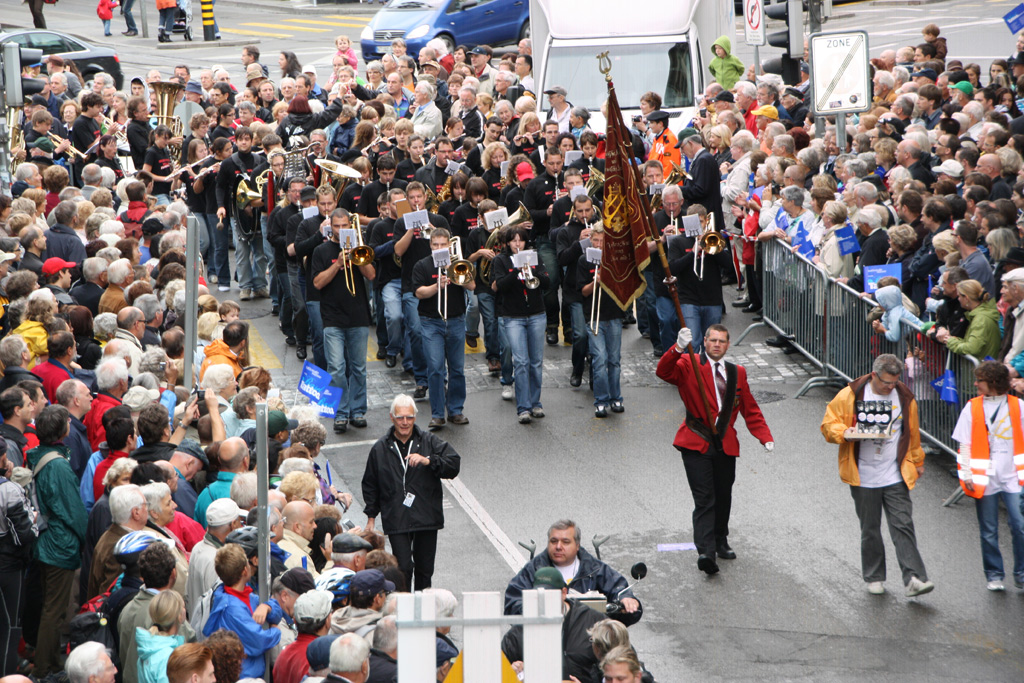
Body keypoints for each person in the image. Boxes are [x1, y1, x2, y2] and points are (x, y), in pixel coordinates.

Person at [655, 325, 774, 575]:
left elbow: (749, 408)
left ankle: (720, 540)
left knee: (723, 496)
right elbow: (663, 372)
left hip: (725, 443)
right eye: (713, 340)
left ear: (728, 345)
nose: (717, 344)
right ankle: (706, 552)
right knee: (705, 499)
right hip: (695, 440)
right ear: (705, 342)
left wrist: (764, 436)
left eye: (722, 341)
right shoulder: (688, 363)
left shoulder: (737, 372)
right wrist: (676, 348)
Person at [821, 353, 935, 597]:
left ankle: (914, 577)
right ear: (874, 375)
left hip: (895, 474)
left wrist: (917, 460)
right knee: (870, 528)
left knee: (903, 524)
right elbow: (828, 426)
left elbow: (912, 432)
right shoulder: (850, 394)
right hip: (863, 476)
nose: (890, 387)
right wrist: (847, 433)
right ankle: (874, 576)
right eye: (885, 382)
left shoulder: (905, 396)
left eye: (894, 382)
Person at [361, 394, 460, 590]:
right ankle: (405, 608)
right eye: (400, 418)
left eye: (409, 418)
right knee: (403, 568)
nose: (405, 423)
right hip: (397, 517)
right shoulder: (380, 448)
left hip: (426, 517)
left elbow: (453, 464)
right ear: (392, 418)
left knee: (425, 570)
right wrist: (371, 517)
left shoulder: (429, 441)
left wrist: (429, 461)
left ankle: (422, 611)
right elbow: (371, 483)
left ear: (415, 418)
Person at [27, 405, 89, 676]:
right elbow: (73, 511)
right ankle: (45, 668)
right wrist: (85, 538)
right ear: (63, 430)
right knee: (54, 610)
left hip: (46, 542)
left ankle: (49, 660)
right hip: (59, 546)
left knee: (51, 607)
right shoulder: (59, 466)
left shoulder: (40, 456)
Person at [952, 361, 1024, 591]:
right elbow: (964, 444)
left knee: (1020, 526)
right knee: (989, 530)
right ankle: (994, 575)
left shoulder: (1018, 406)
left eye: (979, 380)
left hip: (1014, 477)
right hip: (985, 480)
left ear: (993, 382)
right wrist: (965, 473)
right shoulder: (971, 407)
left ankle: (1021, 574)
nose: (975, 384)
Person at [312, 208, 375, 435]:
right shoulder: (321, 250)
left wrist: (355, 255)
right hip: (332, 318)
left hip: (358, 316)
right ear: (331, 227)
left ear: (350, 225)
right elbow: (317, 283)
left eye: (344, 225)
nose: (340, 230)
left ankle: (357, 411)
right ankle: (340, 413)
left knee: (358, 367)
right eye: (336, 226)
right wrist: (337, 264)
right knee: (337, 368)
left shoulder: (359, 249)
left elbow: (371, 275)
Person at [504, 519, 636, 616]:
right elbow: (512, 604)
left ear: (577, 545)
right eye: (554, 541)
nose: (558, 546)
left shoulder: (595, 568)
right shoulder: (533, 570)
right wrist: (536, 610)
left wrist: (626, 600)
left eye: (565, 542)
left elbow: (619, 589)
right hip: (545, 640)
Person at [412, 228, 472, 430]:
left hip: (455, 319)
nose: (439, 248)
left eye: (442, 245)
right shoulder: (422, 265)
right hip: (431, 321)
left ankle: (455, 410)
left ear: (449, 245)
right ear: (430, 245)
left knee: (457, 368)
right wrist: (436, 286)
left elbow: (472, 286)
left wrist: (455, 271)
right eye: (435, 245)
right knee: (436, 368)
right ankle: (437, 414)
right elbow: (419, 292)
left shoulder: (456, 263)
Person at [501, 567, 605, 681]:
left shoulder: (594, 621)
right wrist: (511, 672)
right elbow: (497, 673)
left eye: (549, 594)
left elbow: (621, 664)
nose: (544, 600)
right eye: (538, 595)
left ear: (564, 593)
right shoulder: (518, 633)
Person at [492, 225, 550, 423]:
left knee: (536, 362)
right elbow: (499, 286)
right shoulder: (500, 260)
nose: (518, 244)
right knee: (521, 362)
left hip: (536, 313)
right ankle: (523, 407)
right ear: (508, 243)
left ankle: (536, 403)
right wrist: (516, 270)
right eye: (514, 240)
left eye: (521, 240)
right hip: (513, 316)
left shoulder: (534, 256)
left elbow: (547, 283)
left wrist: (532, 271)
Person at [203, 543, 282, 678]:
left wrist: (267, 607)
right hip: (242, 676)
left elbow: (277, 611)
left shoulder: (249, 596)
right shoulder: (232, 609)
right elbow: (258, 641)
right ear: (245, 571)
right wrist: (276, 631)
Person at [578, 227, 625, 417]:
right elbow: (583, 292)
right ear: (590, 240)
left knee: (614, 360)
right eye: (595, 241)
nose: (598, 245)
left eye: (602, 241)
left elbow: (623, 287)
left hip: (613, 314)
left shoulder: (615, 260)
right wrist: (595, 282)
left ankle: (616, 398)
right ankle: (601, 400)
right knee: (599, 360)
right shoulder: (584, 260)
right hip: (594, 316)